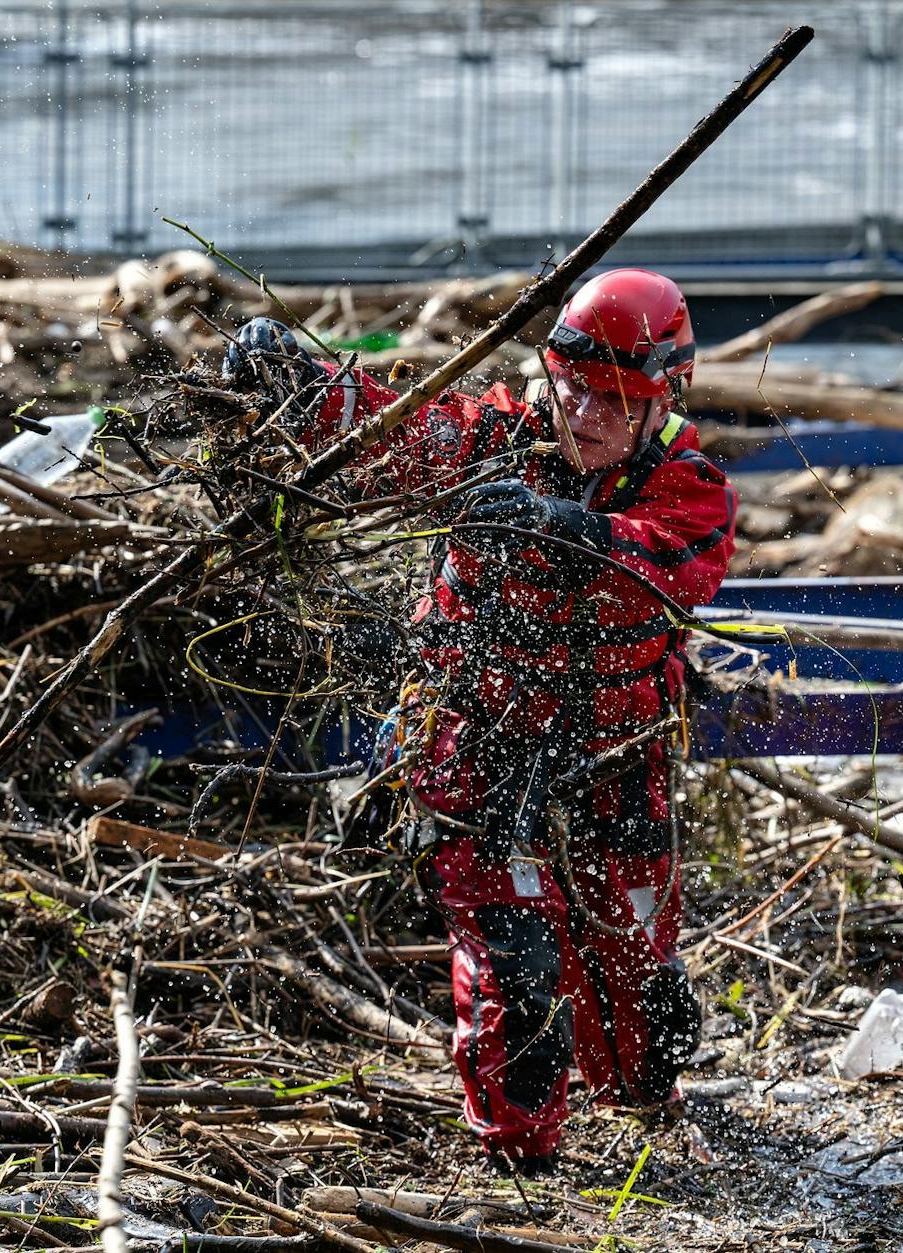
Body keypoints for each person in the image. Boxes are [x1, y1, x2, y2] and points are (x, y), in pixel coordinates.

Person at [227, 269, 736, 1169]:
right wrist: (308, 390)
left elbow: (668, 564)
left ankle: (646, 1111)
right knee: (520, 975)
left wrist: (564, 530)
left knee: (644, 990)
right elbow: (398, 435)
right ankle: (520, 1164)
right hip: (481, 750)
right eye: (571, 385)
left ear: (665, 402)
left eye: (615, 399)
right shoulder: (495, 441)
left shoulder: (690, 490)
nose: (583, 412)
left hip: (614, 764)